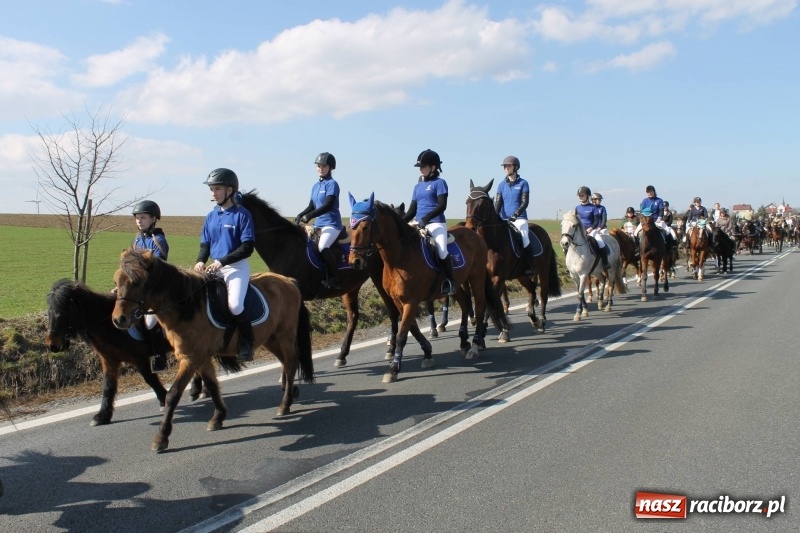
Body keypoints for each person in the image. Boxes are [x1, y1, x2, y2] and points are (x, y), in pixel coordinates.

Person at [194, 168, 256, 361]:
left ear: (230, 190)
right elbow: (205, 244)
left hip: (236, 267)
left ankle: (247, 342)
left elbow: (247, 247)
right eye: (211, 189)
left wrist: (222, 262)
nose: (213, 193)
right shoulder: (211, 216)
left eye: (217, 188)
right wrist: (200, 261)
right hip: (214, 267)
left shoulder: (242, 215)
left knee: (235, 305)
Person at [402, 149, 456, 295]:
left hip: (436, 222)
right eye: (420, 167)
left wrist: (426, 219)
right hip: (418, 222)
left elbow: (442, 205)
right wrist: (400, 223)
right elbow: (412, 210)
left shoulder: (440, 183)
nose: (421, 169)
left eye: (423, 166)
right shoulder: (417, 186)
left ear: (433, 167)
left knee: (442, 250)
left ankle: (450, 282)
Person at [131, 200, 171, 372]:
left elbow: (157, 269)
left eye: (143, 218)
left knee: (149, 321)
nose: (139, 221)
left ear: (153, 219)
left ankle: (159, 356)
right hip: (141, 289)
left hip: (157, 289)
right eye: (137, 218)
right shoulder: (137, 239)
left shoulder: (159, 239)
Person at [295, 152, 343, 290]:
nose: (320, 168)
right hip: (319, 224)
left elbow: (328, 205)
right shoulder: (315, 186)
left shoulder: (332, 184)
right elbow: (311, 205)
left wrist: (309, 216)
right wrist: (301, 214)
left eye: (324, 166)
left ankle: (336, 277)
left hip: (332, 224)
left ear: (330, 168)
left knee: (322, 247)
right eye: (319, 166)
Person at [494, 155, 535, 276]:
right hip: (504, 219)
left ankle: (530, 265)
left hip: (519, 218)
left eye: (509, 166)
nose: (506, 168)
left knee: (524, 237)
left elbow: (525, 202)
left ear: (515, 167)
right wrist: (496, 215)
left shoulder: (523, 183)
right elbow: (498, 204)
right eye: (505, 166)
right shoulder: (501, 185)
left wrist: (516, 214)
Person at [575, 186, 610, 270]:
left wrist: (591, 228)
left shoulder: (593, 208)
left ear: (588, 196)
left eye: (582, 195)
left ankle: (605, 262)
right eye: (579, 195)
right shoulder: (577, 208)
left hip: (591, 230)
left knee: (600, 242)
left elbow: (596, 221)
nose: (580, 197)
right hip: (580, 231)